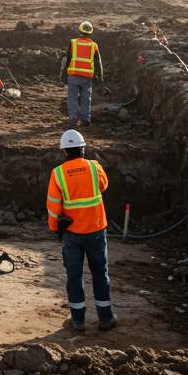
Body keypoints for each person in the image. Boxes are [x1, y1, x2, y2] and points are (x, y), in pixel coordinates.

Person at [46, 129, 116, 332]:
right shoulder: (94, 167)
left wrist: (54, 228)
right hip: (96, 230)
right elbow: (103, 186)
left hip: (72, 234)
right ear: (83, 149)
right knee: (100, 273)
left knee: (74, 276)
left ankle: (78, 321)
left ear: (64, 151)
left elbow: (53, 205)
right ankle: (106, 318)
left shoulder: (57, 173)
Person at [60, 21, 103, 127]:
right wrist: (100, 77)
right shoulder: (94, 46)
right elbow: (98, 63)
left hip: (74, 75)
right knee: (86, 98)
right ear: (91, 33)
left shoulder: (73, 43)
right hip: (87, 77)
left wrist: (63, 73)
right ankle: (86, 119)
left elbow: (68, 59)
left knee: (72, 97)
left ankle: (74, 117)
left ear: (79, 31)